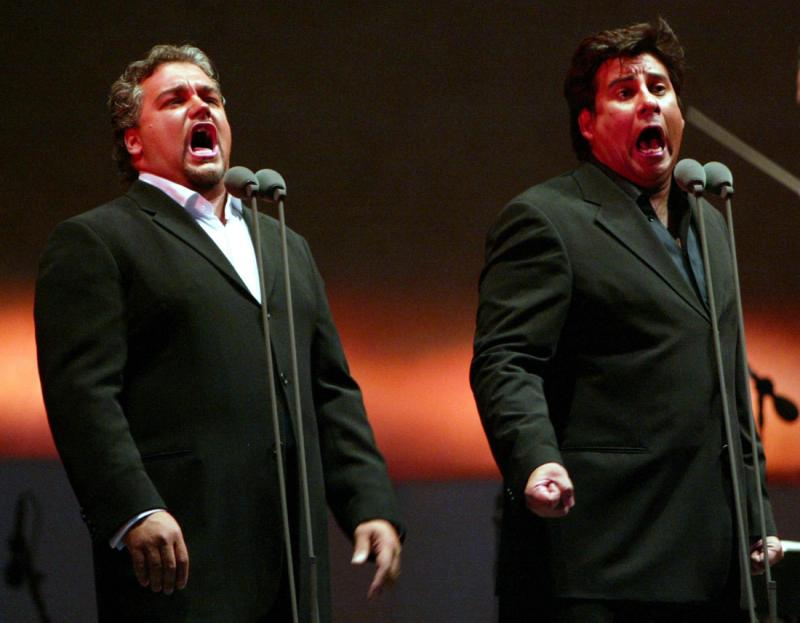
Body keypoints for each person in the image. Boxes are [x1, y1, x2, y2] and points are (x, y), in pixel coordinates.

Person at [34, 44, 402, 623]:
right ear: (134, 141)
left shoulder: (286, 244)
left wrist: (369, 502)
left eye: (210, 97)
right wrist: (134, 509)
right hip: (183, 557)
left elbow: (329, 389)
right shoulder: (99, 240)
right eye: (174, 100)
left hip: (291, 563)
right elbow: (83, 395)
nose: (200, 106)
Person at [470, 18, 782, 623]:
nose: (648, 102)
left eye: (660, 89)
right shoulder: (546, 218)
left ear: (680, 114)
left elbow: (729, 390)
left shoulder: (711, 223)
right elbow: (506, 360)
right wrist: (535, 457)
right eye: (625, 91)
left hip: (710, 567)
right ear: (587, 125)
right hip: (597, 564)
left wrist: (756, 514)